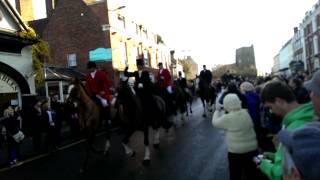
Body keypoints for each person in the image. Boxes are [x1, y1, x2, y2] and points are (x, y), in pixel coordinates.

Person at [258, 80, 315, 180]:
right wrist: (274, 156)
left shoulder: (295, 127)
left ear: (279, 101)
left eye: (270, 107)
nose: (271, 112)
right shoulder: (301, 119)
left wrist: (264, 165)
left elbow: (284, 172)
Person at [212, 94, 259, 180]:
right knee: (251, 174)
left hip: (236, 152)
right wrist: (223, 107)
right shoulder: (246, 113)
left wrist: (217, 110)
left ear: (227, 105)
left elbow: (215, 123)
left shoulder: (228, 118)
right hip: (252, 150)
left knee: (235, 174)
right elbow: (233, 108)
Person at [85, 61, 112, 152]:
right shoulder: (88, 76)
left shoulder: (101, 74)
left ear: (94, 67)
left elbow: (107, 83)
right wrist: (88, 95)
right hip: (93, 96)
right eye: (89, 68)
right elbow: (87, 87)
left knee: (104, 104)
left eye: (91, 68)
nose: (90, 70)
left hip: (102, 95)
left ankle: (107, 119)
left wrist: (103, 91)